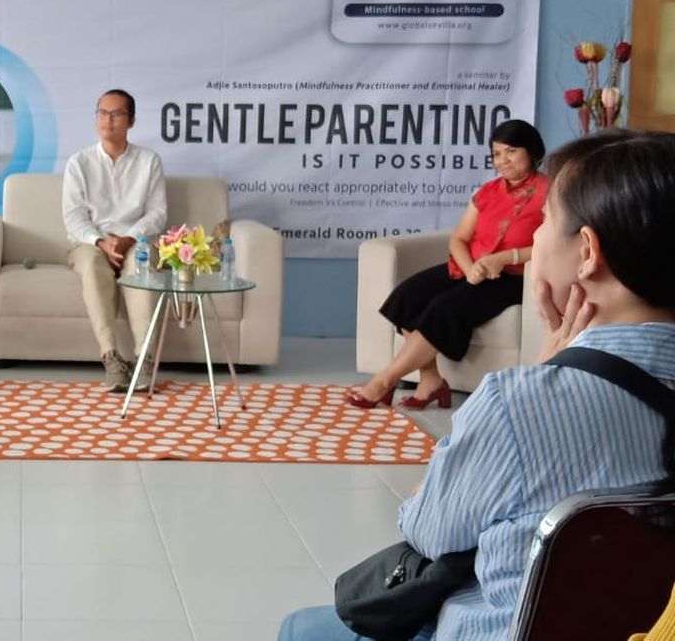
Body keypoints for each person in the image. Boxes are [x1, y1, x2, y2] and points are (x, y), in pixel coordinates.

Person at [279, 128, 675, 640]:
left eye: (546, 223)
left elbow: (426, 531)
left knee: (303, 628)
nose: (533, 239)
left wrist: (542, 375)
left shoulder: (520, 404)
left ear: (586, 252)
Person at [348, 119, 548, 409]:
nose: (502, 161)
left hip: (512, 277)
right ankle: (431, 380)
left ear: (531, 151)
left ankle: (384, 380)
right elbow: (459, 238)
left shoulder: (550, 191)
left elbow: (553, 244)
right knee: (408, 295)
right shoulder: (488, 192)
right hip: (472, 269)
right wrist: (470, 270)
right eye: (496, 154)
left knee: (445, 306)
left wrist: (503, 258)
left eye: (511, 151)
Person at [62, 88, 167, 392]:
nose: (108, 120)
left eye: (117, 114)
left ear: (131, 121)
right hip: (90, 243)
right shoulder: (78, 163)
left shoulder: (149, 161)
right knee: (93, 267)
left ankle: (145, 359)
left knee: (142, 266)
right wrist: (101, 242)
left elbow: (158, 214)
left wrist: (129, 238)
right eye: (102, 113)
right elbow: (74, 218)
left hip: (136, 241)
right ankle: (111, 358)